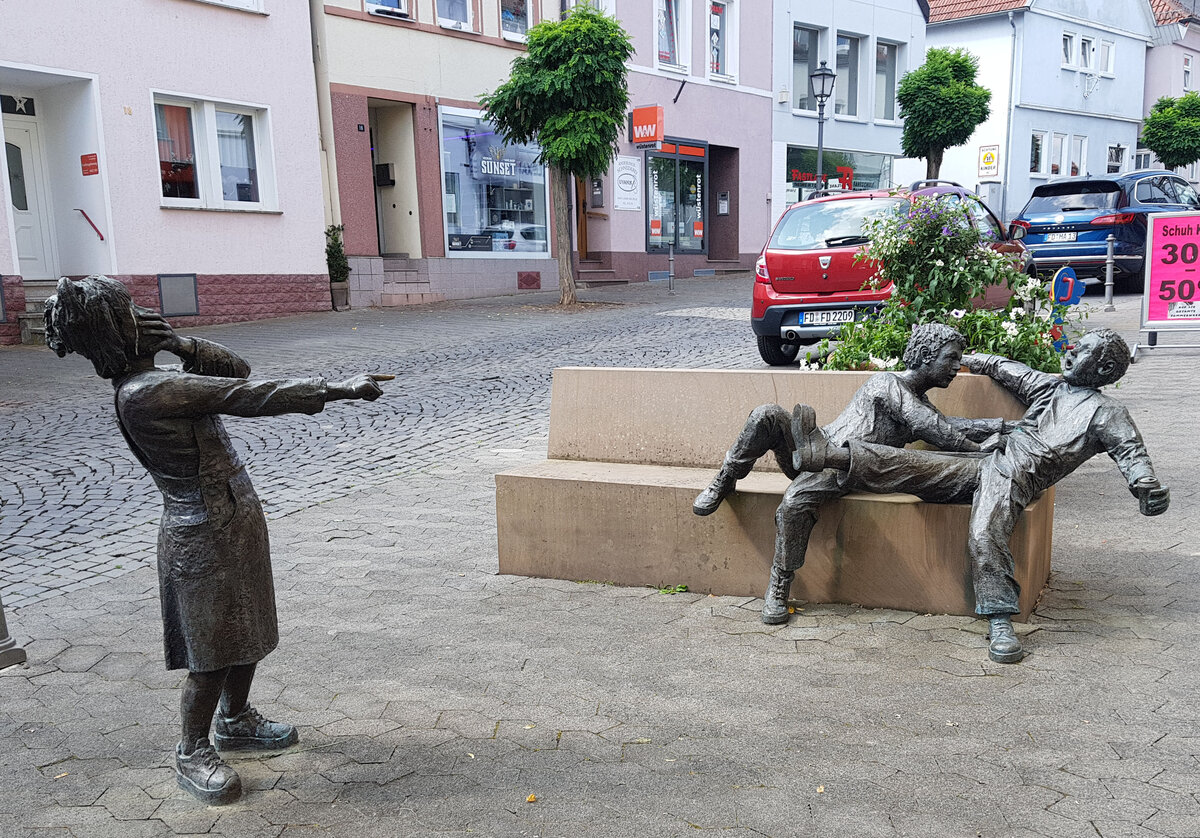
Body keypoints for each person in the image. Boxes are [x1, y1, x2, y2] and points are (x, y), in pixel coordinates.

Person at [43, 275, 389, 805]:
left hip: (233, 511)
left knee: (247, 622)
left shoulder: (159, 375)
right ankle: (192, 748)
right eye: (131, 311)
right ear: (116, 331)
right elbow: (247, 393)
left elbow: (235, 368)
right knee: (211, 647)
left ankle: (236, 720)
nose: (144, 314)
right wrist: (338, 387)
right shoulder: (149, 391)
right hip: (200, 526)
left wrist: (180, 343)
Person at [784, 328, 1170, 662]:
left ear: (1104, 369)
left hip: (1014, 478)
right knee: (905, 463)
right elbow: (1005, 368)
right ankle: (826, 454)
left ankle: (1000, 621)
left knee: (984, 531)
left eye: (1080, 349)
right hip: (983, 462)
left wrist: (1146, 487)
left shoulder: (1107, 413)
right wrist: (956, 357)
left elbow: (1132, 452)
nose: (1069, 351)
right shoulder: (1050, 387)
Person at [693, 323, 1009, 625]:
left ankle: (779, 582)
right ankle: (727, 476)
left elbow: (945, 425)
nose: (957, 367)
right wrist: (977, 448)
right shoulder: (888, 383)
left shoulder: (918, 403)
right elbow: (931, 426)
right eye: (951, 358)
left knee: (795, 499)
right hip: (821, 447)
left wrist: (1003, 427)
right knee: (767, 415)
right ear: (927, 354)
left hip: (842, 465)